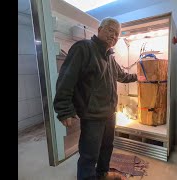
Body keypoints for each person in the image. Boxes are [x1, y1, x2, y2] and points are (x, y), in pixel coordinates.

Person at [53, 17, 140, 180]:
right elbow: (66, 80)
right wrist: (64, 110)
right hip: (92, 115)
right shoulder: (83, 48)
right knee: (89, 155)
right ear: (99, 30)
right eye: (110, 31)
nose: (113, 36)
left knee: (107, 148)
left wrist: (138, 76)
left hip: (109, 114)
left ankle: (102, 174)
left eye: (117, 35)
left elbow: (122, 76)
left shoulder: (110, 57)